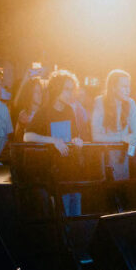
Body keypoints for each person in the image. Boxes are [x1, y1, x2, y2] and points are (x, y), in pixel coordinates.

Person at [24, 70, 87, 215]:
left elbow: (73, 137)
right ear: (56, 89)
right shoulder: (44, 112)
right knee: (62, 221)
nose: (70, 93)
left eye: (72, 90)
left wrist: (77, 141)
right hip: (54, 175)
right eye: (66, 89)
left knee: (75, 218)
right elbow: (27, 136)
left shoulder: (70, 111)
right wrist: (53, 140)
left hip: (72, 172)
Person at [91, 69, 136, 154]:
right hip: (104, 154)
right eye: (124, 86)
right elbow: (95, 136)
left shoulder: (131, 103)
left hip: (123, 154)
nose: (128, 90)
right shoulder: (100, 102)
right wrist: (122, 138)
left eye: (129, 86)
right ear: (113, 87)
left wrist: (133, 139)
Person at [12, 75, 46, 140]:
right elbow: (18, 139)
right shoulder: (24, 115)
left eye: (40, 91)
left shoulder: (45, 112)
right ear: (30, 93)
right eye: (36, 92)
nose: (39, 94)